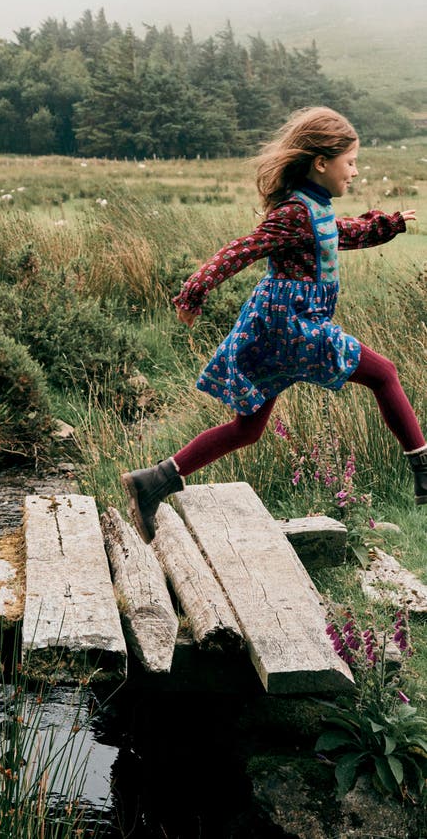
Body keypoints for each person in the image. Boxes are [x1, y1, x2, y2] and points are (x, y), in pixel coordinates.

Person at [122, 106, 424, 545]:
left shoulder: (313, 209)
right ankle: (423, 467)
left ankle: (154, 480)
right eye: (351, 161)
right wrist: (194, 292)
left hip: (277, 329)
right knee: (384, 373)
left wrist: (388, 225)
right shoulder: (293, 214)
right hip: (293, 327)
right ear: (321, 162)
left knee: (248, 429)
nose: (356, 172)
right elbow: (242, 249)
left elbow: (342, 233)